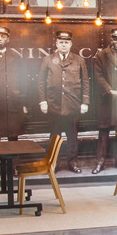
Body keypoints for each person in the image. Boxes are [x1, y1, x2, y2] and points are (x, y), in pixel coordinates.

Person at [39, 30, 89, 173]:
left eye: (66, 42)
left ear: (71, 44)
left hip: (72, 105)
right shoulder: (48, 60)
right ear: (56, 43)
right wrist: (43, 101)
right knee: (55, 137)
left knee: (72, 137)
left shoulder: (79, 60)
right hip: (54, 105)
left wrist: (85, 102)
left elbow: (85, 82)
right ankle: (53, 163)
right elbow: (41, 82)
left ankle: (72, 163)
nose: (63, 45)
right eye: (61, 42)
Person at [92, 27, 117, 174]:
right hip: (106, 100)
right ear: (111, 39)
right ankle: (100, 162)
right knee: (103, 131)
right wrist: (109, 90)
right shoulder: (101, 55)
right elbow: (98, 75)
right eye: (115, 39)